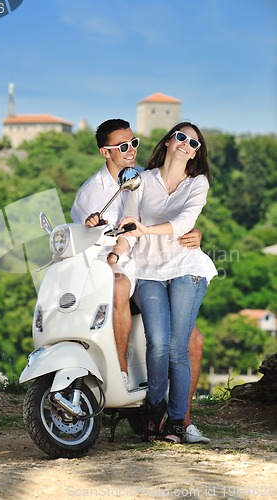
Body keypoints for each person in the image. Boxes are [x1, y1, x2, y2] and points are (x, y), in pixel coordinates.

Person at [71, 119, 209, 443]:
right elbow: (89, 237)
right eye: (122, 147)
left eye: (134, 143)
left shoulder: (142, 178)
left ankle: (180, 422)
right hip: (128, 270)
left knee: (192, 343)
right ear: (105, 152)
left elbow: (177, 220)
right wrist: (97, 232)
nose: (131, 150)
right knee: (159, 336)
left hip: (155, 267)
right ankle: (122, 379)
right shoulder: (93, 193)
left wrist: (195, 234)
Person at [112, 121, 218, 443]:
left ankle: (175, 425)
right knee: (156, 343)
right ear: (169, 142)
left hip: (187, 268)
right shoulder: (141, 181)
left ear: (195, 154)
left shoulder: (198, 184)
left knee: (176, 348)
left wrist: (146, 230)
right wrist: (116, 254)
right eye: (181, 137)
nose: (187, 144)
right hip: (148, 270)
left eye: (194, 143)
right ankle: (153, 417)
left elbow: (184, 223)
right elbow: (129, 227)